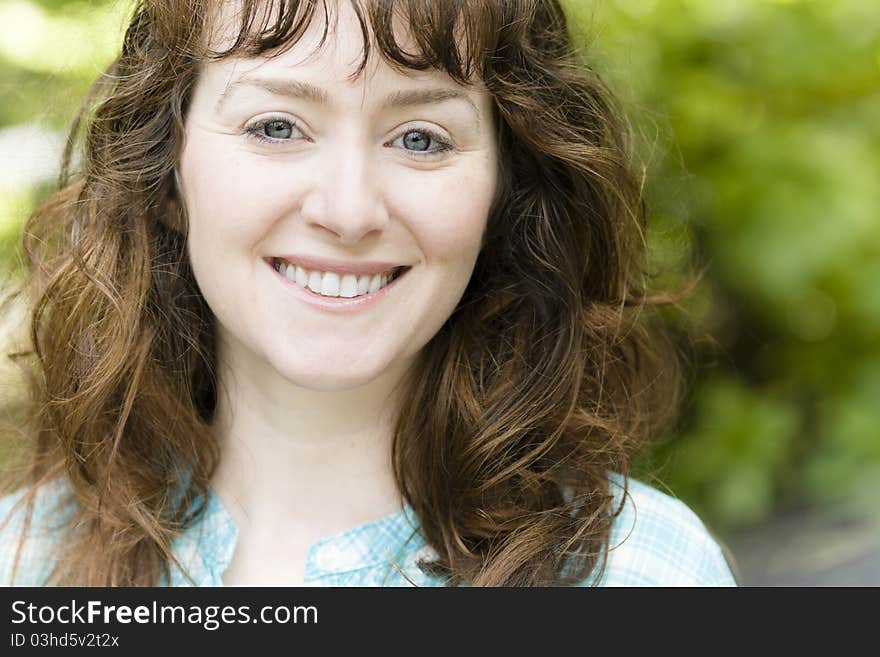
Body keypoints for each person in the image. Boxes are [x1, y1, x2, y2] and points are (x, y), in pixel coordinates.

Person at [0, 0, 736, 586]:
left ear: (503, 192)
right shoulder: (20, 561)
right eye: (278, 125)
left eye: (420, 138)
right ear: (166, 173)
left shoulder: (639, 573)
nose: (349, 212)